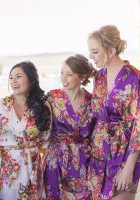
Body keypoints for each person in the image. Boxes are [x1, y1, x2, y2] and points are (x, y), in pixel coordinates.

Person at [87, 25, 140, 200]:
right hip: (99, 153)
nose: (91, 56)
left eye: (95, 52)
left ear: (110, 51)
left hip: (126, 154)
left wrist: (129, 168)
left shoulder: (135, 77)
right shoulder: (100, 77)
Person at [0, 61, 52, 200]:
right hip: (7, 171)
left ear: (31, 80)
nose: (13, 81)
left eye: (18, 76)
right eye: (11, 77)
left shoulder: (42, 107)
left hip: (33, 167)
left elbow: (46, 139)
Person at [44, 54, 96, 200]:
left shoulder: (92, 101)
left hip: (82, 160)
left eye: (69, 74)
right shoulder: (52, 97)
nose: (63, 78)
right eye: (62, 73)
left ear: (82, 76)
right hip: (56, 158)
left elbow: (96, 133)